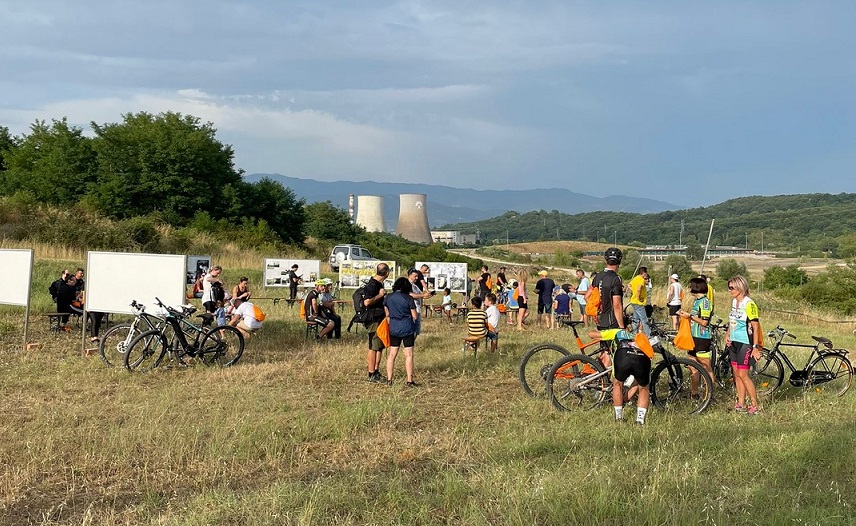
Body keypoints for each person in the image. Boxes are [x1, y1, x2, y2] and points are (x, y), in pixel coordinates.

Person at [593, 247, 650, 425]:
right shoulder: (616, 279)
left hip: (600, 320)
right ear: (619, 261)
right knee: (618, 357)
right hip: (612, 322)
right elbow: (617, 305)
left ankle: (600, 389)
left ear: (605, 260)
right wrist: (621, 327)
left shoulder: (597, 277)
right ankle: (607, 391)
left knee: (605, 355)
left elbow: (589, 296)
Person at [724, 275, 762, 415]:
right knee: (736, 374)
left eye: (732, 288)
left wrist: (755, 347)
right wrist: (728, 335)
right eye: (729, 288)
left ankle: (755, 405)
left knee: (743, 374)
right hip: (734, 342)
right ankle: (741, 403)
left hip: (746, 343)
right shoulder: (734, 302)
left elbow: (755, 327)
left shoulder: (749, 303)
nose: (730, 290)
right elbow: (732, 320)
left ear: (740, 287)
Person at [678, 277, 714, 396]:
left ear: (696, 288)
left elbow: (704, 322)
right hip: (693, 337)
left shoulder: (705, 302)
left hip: (702, 338)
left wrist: (690, 316)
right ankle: (694, 393)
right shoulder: (696, 301)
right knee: (692, 366)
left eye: (690, 286)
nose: (688, 288)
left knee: (706, 367)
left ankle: (709, 394)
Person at [384, 276, 419, 386]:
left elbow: (387, 314)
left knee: (392, 354)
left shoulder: (388, 297)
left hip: (393, 327)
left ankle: (389, 379)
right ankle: (409, 380)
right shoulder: (408, 298)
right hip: (407, 327)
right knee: (408, 354)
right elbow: (415, 315)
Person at [364, 263, 389, 382]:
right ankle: (371, 373)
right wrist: (380, 295)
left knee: (379, 346)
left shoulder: (378, 284)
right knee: (373, 347)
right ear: (387, 273)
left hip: (380, 319)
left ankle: (376, 370)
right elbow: (367, 302)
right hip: (373, 319)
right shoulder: (373, 285)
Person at [408, 268, 432, 336]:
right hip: (412, 309)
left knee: (417, 330)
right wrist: (423, 295)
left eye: (417, 276)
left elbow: (421, 295)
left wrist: (428, 295)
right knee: (412, 329)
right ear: (410, 275)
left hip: (418, 309)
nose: (417, 278)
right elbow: (410, 295)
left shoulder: (415, 286)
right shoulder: (407, 284)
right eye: (415, 276)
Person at [628, 266, 651, 336]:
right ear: (643, 272)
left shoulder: (635, 279)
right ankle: (649, 335)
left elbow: (629, 285)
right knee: (644, 320)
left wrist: (634, 292)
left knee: (636, 320)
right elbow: (639, 288)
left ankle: (634, 335)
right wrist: (638, 297)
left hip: (633, 302)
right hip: (638, 303)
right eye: (646, 273)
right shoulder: (641, 279)